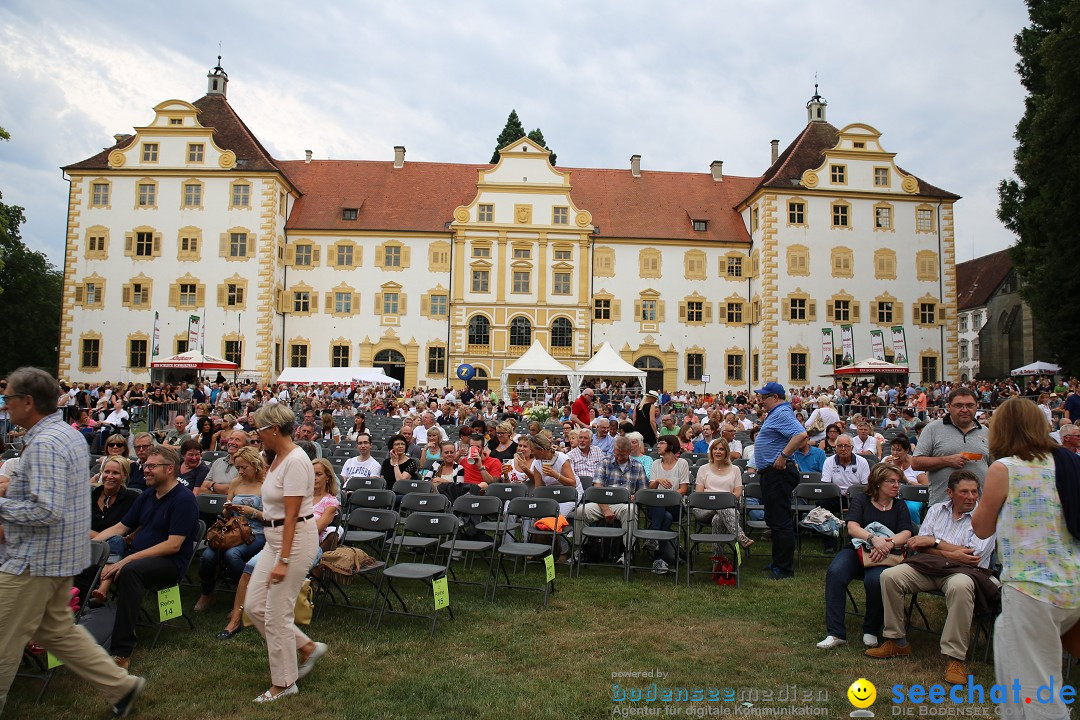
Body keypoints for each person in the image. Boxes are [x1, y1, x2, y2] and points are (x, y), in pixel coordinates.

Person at [0, 367, 146, 716]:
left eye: (9, 398)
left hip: (34, 560)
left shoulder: (48, 442)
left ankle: (121, 686)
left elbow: (46, 509)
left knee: (4, 637)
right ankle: (121, 686)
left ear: (28, 401)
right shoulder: (64, 434)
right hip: (58, 555)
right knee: (58, 632)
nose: (5, 405)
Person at [971, 397, 1080, 720]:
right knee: (1012, 665)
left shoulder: (1006, 469)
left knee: (1038, 691)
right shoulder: (1068, 463)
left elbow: (981, 527)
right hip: (1070, 582)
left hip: (1031, 589)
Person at [866, 470, 997, 686]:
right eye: (964, 492)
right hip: (929, 567)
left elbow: (973, 557)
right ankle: (896, 640)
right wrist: (949, 552)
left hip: (963, 572)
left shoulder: (984, 518)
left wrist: (936, 543)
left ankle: (955, 658)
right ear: (950, 493)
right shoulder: (937, 509)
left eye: (974, 492)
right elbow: (918, 543)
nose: (971, 497)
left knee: (961, 587)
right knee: (890, 576)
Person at [245, 404, 327, 703]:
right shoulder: (277, 458)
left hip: (294, 541)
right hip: (274, 539)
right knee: (254, 607)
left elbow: (292, 516)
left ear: (274, 429)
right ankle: (306, 647)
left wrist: (283, 560)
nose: (257, 435)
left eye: (259, 430)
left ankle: (284, 682)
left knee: (277, 614)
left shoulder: (295, 461)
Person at [93, 444, 199, 669]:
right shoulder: (148, 495)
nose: (145, 471)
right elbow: (121, 527)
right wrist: (91, 546)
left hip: (169, 564)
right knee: (87, 563)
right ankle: (86, 630)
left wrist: (127, 559)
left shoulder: (184, 499)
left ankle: (122, 651)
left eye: (151, 466)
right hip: (138, 557)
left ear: (169, 469)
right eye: (145, 466)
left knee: (131, 571)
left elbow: (173, 545)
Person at [817, 464, 913, 650]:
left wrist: (887, 544)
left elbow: (907, 533)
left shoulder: (900, 505)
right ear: (877, 482)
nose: (896, 485)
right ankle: (835, 633)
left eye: (898, 482)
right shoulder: (861, 500)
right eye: (891, 481)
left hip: (885, 554)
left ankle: (871, 628)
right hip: (857, 550)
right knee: (835, 573)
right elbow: (852, 527)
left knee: (876, 580)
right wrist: (872, 539)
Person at [194, 446, 266, 613]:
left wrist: (253, 512)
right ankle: (207, 593)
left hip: (257, 532)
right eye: (238, 467)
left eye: (244, 467)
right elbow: (225, 514)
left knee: (232, 555)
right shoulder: (235, 483)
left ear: (255, 465)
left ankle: (246, 597)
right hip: (234, 530)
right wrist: (227, 508)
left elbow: (273, 517)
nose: (240, 471)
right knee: (207, 556)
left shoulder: (266, 485)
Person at [753, 382, 808, 580]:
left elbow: (801, 435)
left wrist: (783, 455)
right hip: (771, 474)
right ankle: (778, 562)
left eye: (764, 398)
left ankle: (784, 568)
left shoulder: (782, 412)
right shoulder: (777, 413)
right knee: (775, 520)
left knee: (781, 521)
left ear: (775, 397)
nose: (761, 401)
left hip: (778, 473)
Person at [911, 388, 989, 505]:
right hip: (942, 506)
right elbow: (916, 463)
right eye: (958, 405)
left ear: (976, 407)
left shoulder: (985, 431)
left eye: (970, 405)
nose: (964, 410)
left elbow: (993, 467)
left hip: (978, 508)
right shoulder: (933, 428)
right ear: (948, 407)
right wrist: (947, 460)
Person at [523, 433, 582, 562]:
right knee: (535, 513)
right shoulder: (537, 463)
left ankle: (564, 551)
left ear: (542, 450)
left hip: (569, 494)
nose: (532, 453)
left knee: (557, 516)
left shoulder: (562, 459)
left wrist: (556, 475)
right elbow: (538, 488)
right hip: (551, 495)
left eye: (533, 450)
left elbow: (572, 483)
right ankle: (534, 548)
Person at [577, 435, 647, 533]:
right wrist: (605, 510)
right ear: (613, 449)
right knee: (581, 511)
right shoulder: (605, 462)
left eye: (623, 455)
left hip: (624, 504)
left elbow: (642, 491)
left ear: (630, 452)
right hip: (603, 502)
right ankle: (580, 545)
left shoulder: (638, 466)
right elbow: (598, 488)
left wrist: (635, 497)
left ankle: (628, 547)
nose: (618, 458)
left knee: (630, 511)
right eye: (616, 454)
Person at [693, 437, 753, 551]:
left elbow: (738, 492)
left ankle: (717, 560)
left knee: (717, 519)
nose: (717, 452)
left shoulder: (735, 469)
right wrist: (719, 500)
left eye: (721, 449)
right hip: (704, 508)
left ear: (726, 452)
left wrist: (722, 500)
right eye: (715, 449)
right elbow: (699, 494)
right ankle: (740, 536)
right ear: (711, 451)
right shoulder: (703, 469)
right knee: (721, 504)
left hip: (728, 508)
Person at [647, 436, 690, 574]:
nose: (657, 446)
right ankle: (658, 559)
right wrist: (658, 480)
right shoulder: (655, 464)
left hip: (675, 505)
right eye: (657, 443)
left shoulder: (682, 463)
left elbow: (683, 490)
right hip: (656, 508)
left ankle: (653, 536)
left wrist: (667, 497)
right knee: (666, 518)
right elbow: (651, 489)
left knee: (662, 504)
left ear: (671, 445)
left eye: (661, 443)